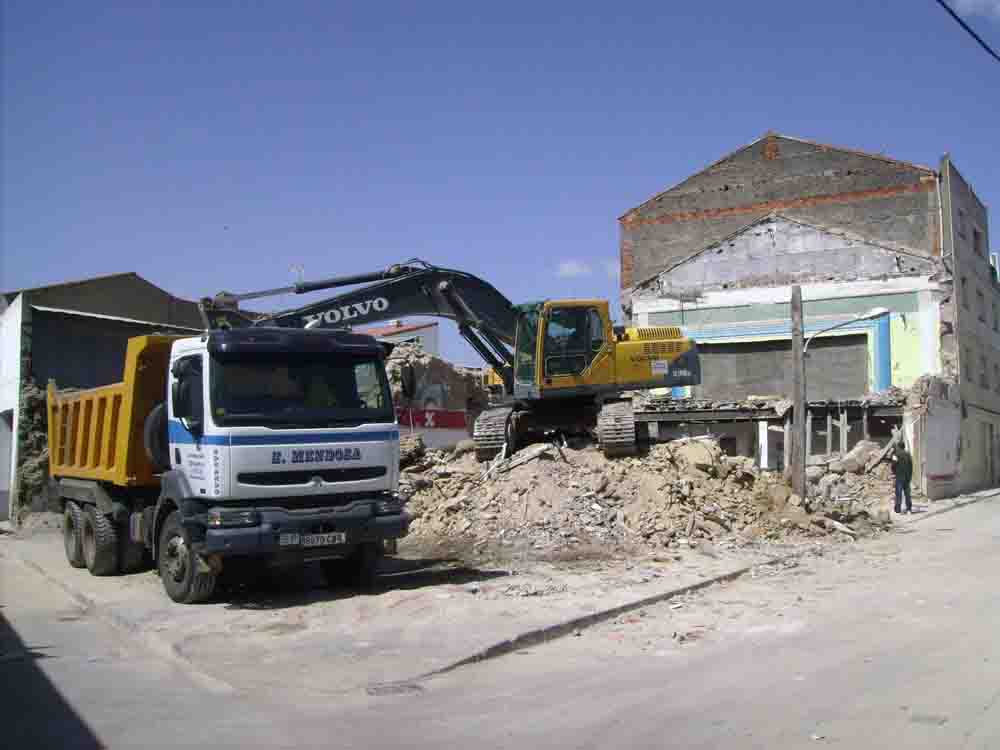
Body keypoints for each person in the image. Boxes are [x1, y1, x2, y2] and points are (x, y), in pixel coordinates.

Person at [891, 442, 913, 514]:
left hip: (899, 476)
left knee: (898, 493)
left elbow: (893, 465)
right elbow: (911, 466)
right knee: (907, 494)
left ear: (899, 447)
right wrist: (909, 476)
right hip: (907, 477)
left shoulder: (895, 455)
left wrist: (894, 472)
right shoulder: (908, 454)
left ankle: (898, 509)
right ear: (904, 447)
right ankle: (909, 508)